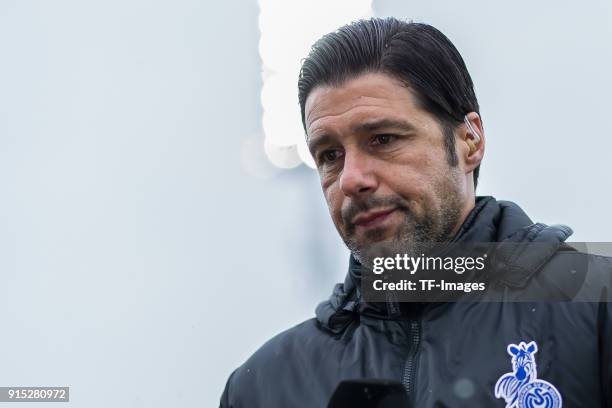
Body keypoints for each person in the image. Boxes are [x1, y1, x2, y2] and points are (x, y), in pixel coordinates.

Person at [220, 17, 611, 407]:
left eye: (383, 139)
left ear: (469, 141)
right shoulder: (267, 387)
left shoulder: (596, 310)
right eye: (330, 155)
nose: (351, 179)